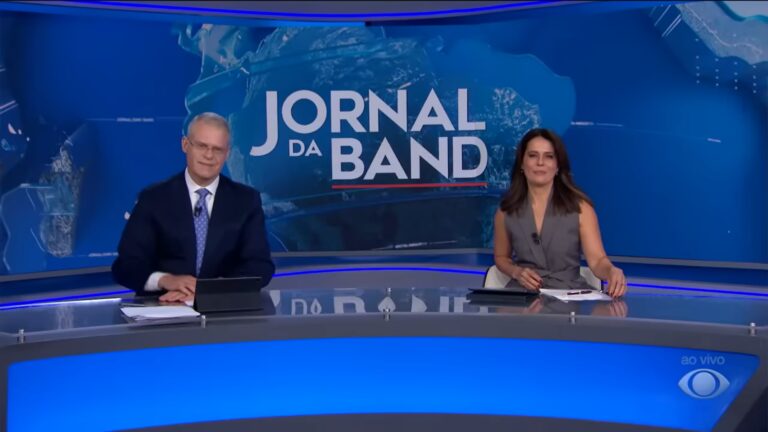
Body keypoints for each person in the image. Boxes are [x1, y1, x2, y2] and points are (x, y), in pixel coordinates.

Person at [112, 112, 275, 302]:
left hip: (224, 313)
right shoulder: (153, 199)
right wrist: (166, 280)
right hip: (162, 309)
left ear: (227, 154)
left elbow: (260, 266)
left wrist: (209, 291)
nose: (208, 155)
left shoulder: (246, 201)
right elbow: (126, 266)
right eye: (202, 146)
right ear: (185, 145)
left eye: (217, 149)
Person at [493, 128, 626, 297]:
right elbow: (501, 258)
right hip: (523, 296)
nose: (540, 162)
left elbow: (597, 260)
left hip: (569, 295)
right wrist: (517, 272)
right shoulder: (505, 211)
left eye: (549, 156)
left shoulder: (581, 208)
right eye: (533, 155)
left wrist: (612, 271)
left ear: (557, 166)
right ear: (522, 162)